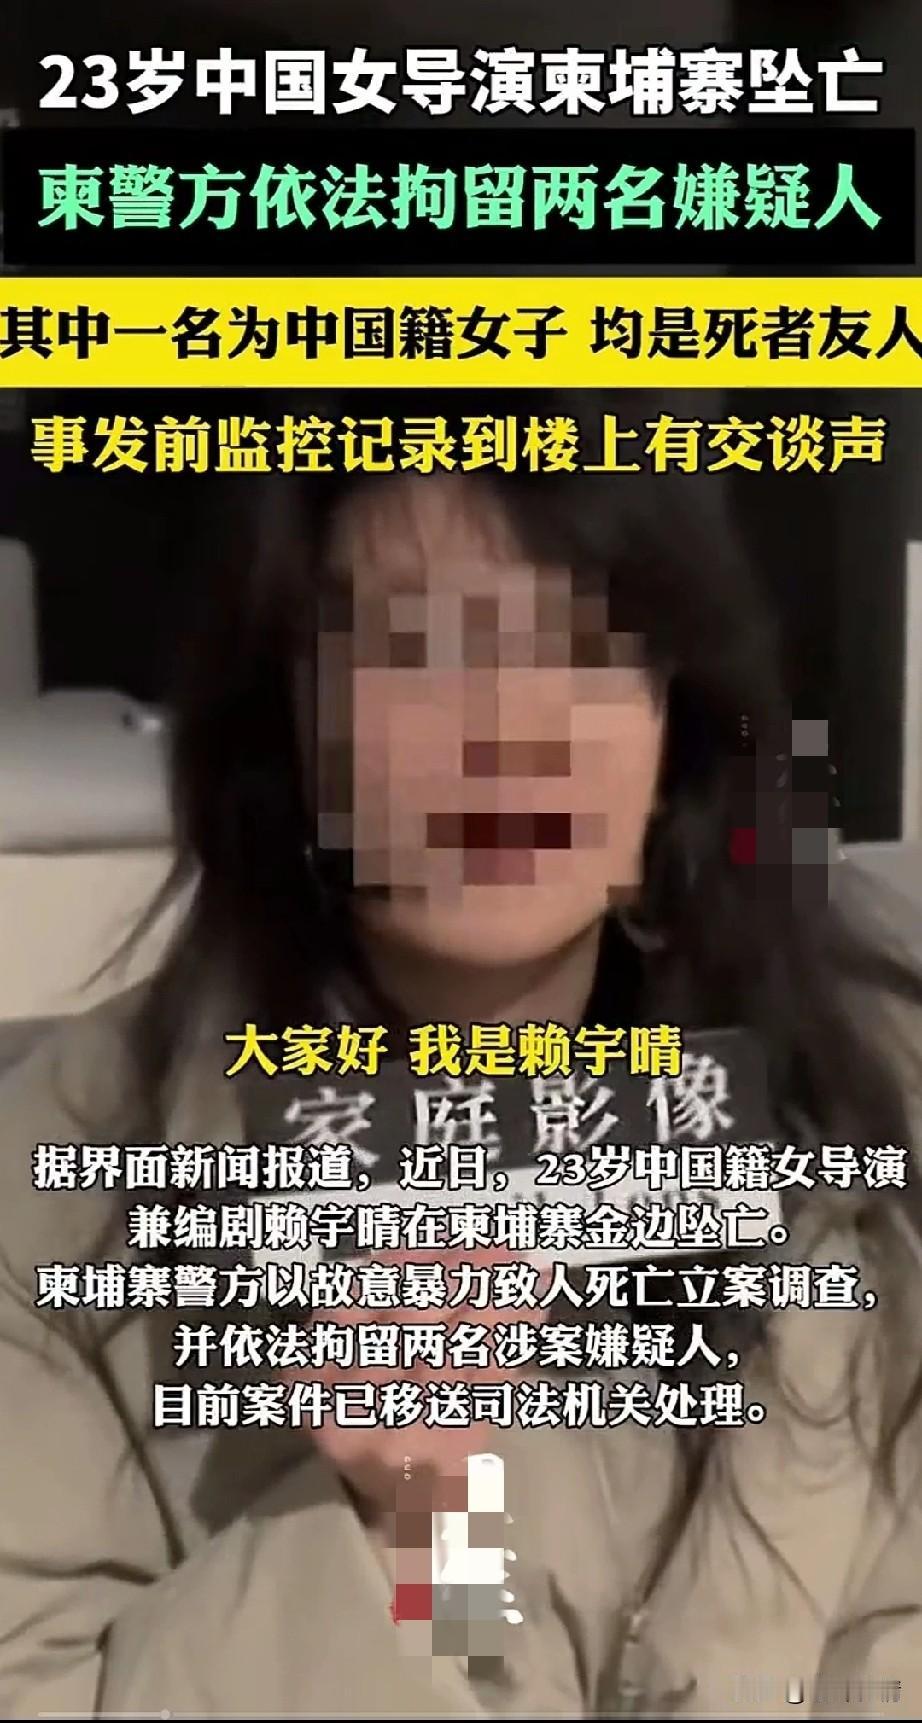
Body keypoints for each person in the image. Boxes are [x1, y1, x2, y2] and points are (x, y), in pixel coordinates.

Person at [1, 391, 921, 1717]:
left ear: (671, 742)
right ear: (290, 731)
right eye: (411, 654)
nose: (504, 735)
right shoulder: (62, 1194)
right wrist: (411, 1539)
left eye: (582, 650)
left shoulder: (865, 1114)